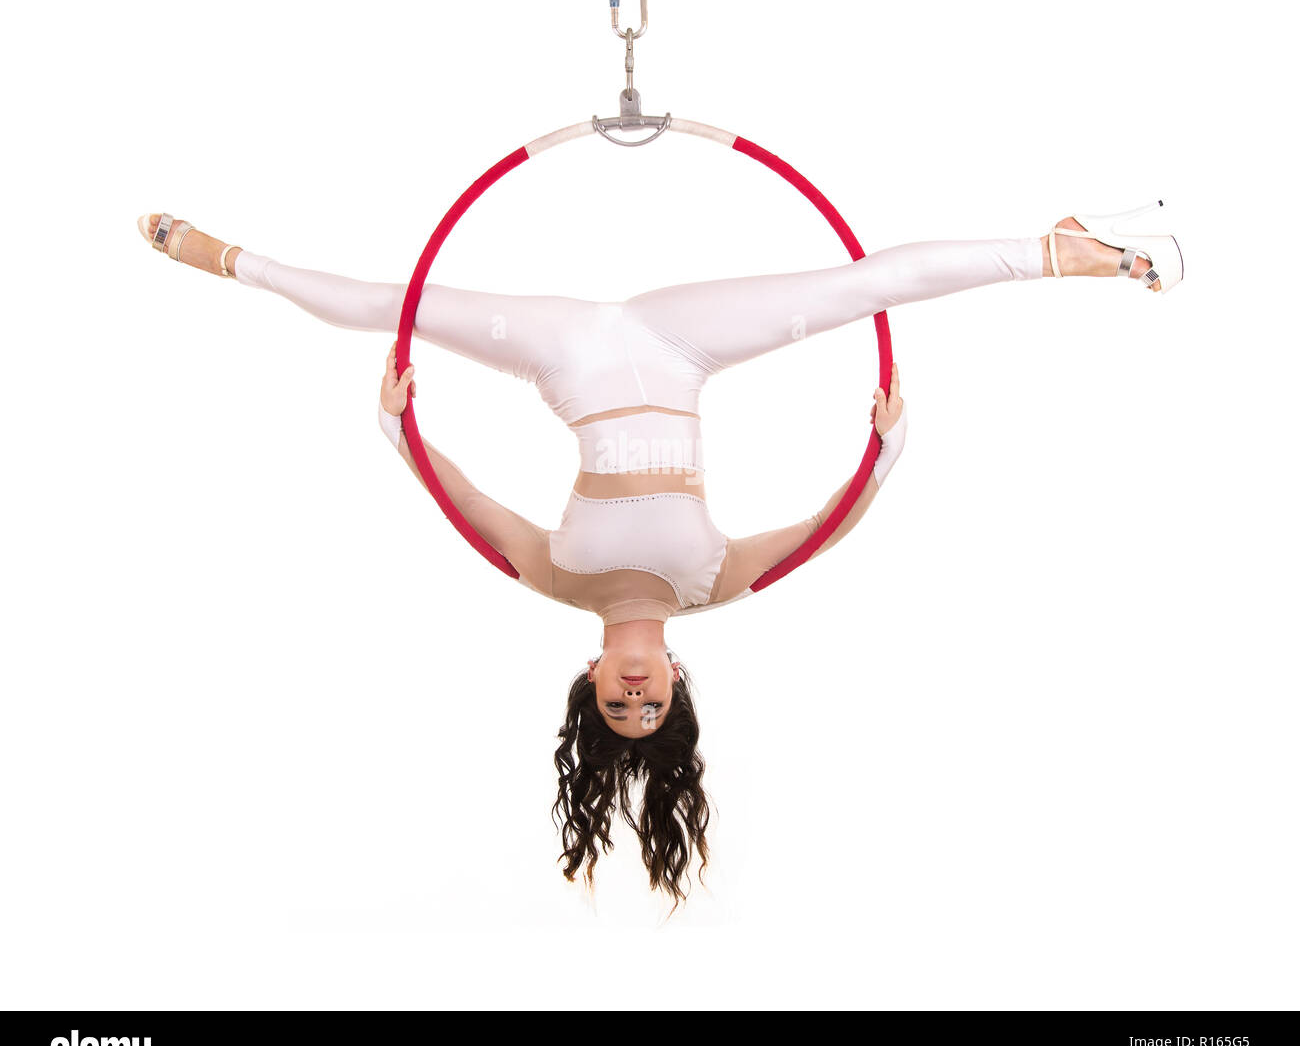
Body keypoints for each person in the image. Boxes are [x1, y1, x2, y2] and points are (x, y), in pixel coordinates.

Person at [136, 204, 1181, 901]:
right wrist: (883, 450)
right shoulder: (708, 586)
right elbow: (824, 530)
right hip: (680, 347)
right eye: (651, 706)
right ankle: (1064, 248)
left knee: (382, 309)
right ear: (675, 681)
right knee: (864, 286)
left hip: (565, 357)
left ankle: (224, 255)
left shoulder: (554, 579)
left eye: (615, 706)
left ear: (590, 681)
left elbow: (464, 499)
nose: (634, 698)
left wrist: (400, 430)